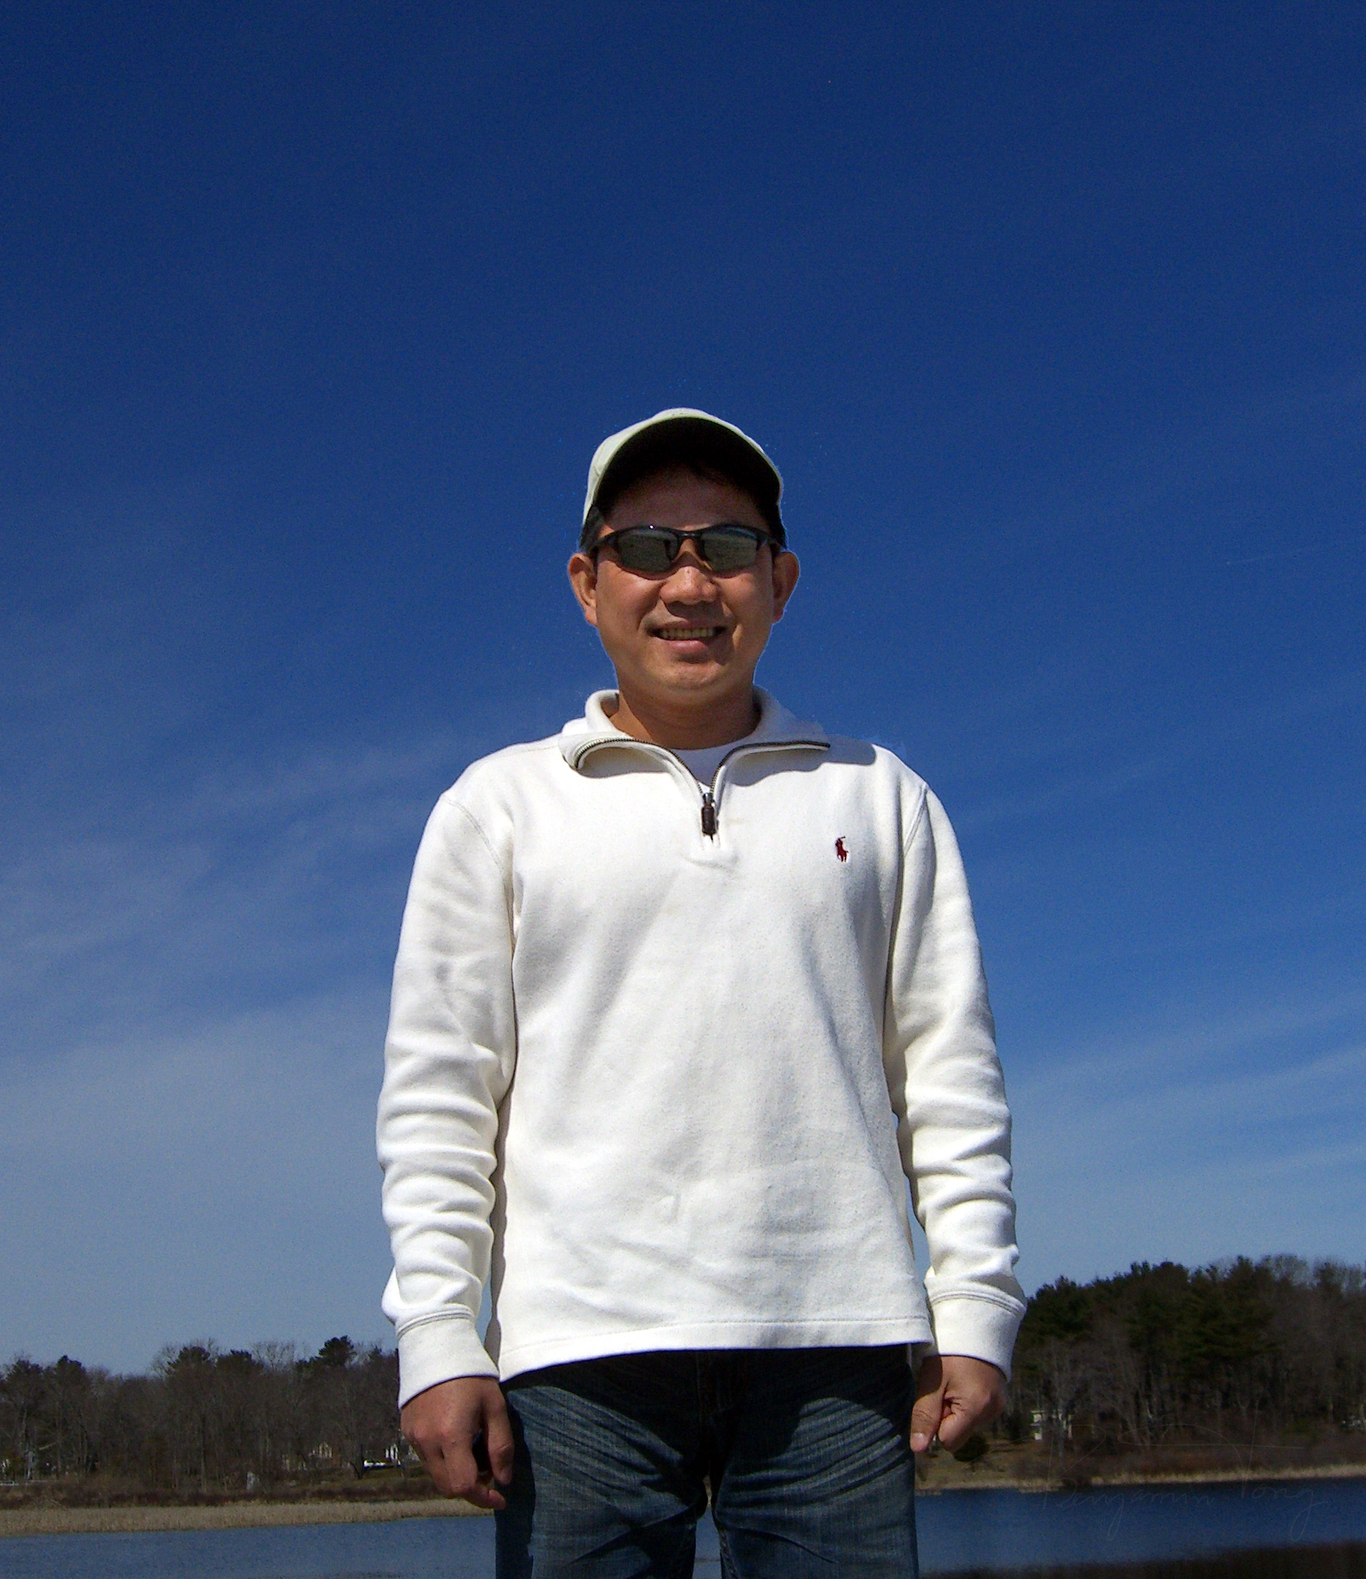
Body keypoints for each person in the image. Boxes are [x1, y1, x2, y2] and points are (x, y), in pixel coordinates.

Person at [378, 409, 1024, 1577]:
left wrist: (974, 1305)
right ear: (588, 584)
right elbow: (441, 1096)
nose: (688, 583)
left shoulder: (881, 797)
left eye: (725, 548)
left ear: (779, 582)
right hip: (577, 1362)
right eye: (645, 549)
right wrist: (436, 1331)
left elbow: (949, 1076)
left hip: (838, 1354)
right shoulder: (496, 806)